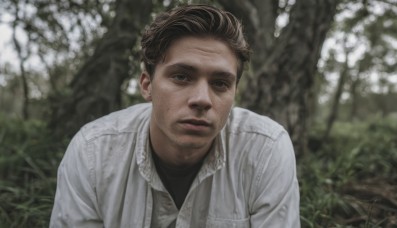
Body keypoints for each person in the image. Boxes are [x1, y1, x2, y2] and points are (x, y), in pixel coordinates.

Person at [50, 4, 300, 227]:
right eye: (182, 76)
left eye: (220, 83)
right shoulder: (93, 153)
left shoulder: (265, 150)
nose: (202, 99)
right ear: (147, 85)